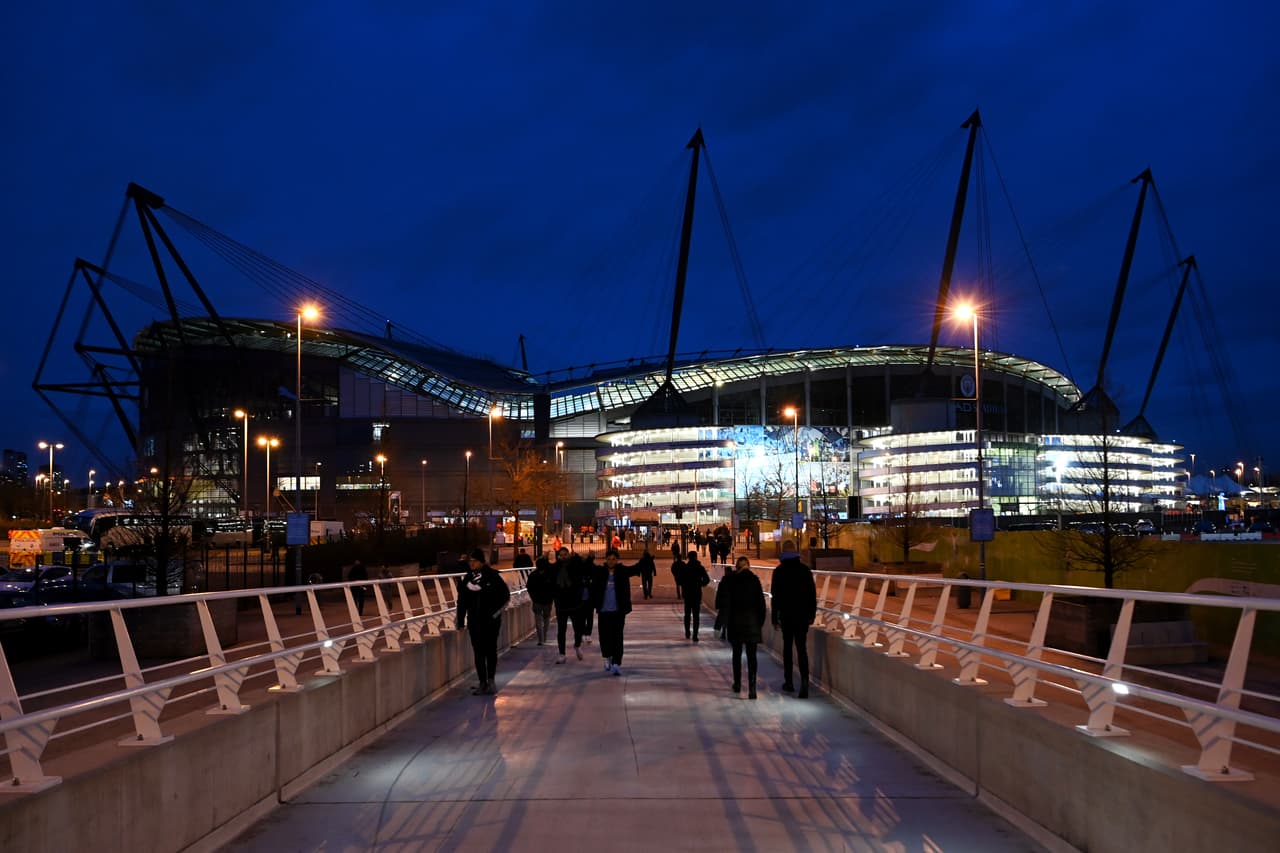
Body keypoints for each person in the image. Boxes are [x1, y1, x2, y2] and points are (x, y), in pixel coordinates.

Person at [456, 549, 511, 695]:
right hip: (474, 622)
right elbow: (462, 601)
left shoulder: (493, 576)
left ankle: (491, 680)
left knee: (490, 650)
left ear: (481, 562)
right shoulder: (467, 579)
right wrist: (460, 620)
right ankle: (482, 682)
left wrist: (495, 614)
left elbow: (505, 596)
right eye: (470, 561)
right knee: (478, 652)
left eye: (474, 561)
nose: (472, 563)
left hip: (491, 622)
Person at [770, 539, 817, 698]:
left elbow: (775, 596)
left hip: (787, 615)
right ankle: (804, 682)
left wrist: (774, 617)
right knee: (801, 648)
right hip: (802, 616)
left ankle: (789, 681)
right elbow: (812, 595)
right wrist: (812, 614)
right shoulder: (805, 571)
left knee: (788, 648)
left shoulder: (779, 571)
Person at [715, 556, 766, 698]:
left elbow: (726, 604)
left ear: (737, 568)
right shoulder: (755, 581)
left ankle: (737, 683)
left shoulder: (731, 581)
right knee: (752, 657)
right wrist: (759, 624)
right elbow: (761, 605)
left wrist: (721, 624)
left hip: (735, 624)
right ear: (748, 567)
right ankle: (752, 687)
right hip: (752, 624)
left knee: (736, 655)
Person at [588, 549, 644, 675]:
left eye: (613, 559)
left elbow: (635, 569)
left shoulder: (622, 571)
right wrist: (590, 558)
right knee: (604, 636)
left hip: (618, 612)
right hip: (604, 611)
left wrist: (644, 559)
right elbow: (588, 568)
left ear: (617, 560)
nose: (611, 561)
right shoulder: (600, 572)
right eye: (609, 559)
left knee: (617, 637)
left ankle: (616, 662)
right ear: (605, 560)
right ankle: (607, 656)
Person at [551, 547, 586, 663]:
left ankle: (577, 644)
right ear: (558, 556)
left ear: (569, 555)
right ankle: (562, 654)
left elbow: (582, 569)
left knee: (578, 628)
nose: (563, 557)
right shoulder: (556, 568)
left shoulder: (574, 565)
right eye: (561, 555)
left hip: (574, 603)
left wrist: (579, 558)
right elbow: (547, 573)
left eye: (565, 554)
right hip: (561, 604)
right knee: (561, 630)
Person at [677, 549, 710, 642]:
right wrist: (700, 584)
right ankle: (695, 635)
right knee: (696, 616)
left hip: (687, 594)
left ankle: (687, 632)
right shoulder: (700, 568)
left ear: (688, 558)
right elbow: (707, 579)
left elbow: (679, 580)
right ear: (696, 557)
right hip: (696, 593)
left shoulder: (685, 568)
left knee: (687, 614)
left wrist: (684, 585)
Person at [526, 553, 556, 645]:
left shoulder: (533, 575)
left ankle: (540, 639)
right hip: (548, 600)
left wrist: (533, 597)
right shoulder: (550, 575)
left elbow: (529, 587)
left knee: (538, 620)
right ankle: (545, 636)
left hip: (537, 601)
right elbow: (553, 587)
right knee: (546, 618)